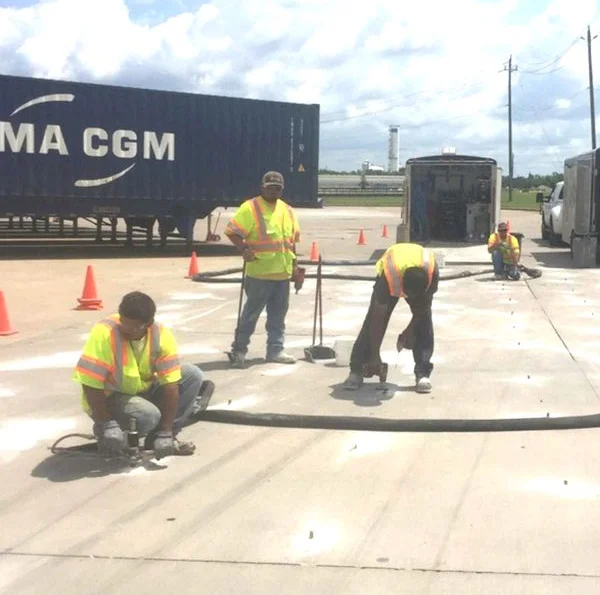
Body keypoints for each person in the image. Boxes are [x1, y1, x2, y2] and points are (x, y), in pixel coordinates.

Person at [72, 291, 215, 459]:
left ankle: (158, 439)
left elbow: (171, 385)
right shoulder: (104, 332)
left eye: (134, 327)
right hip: (109, 397)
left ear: (148, 324)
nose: (127, 329)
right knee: (147, 415)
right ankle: (111, 436)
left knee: (192, 375)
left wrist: (166, 432)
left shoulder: (160, 335)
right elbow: (89, 382)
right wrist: (106, 423)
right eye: (124, 322)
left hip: (141, 391)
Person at [224, 170, 301, 368]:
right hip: (259, 272)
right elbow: (232, 232)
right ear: (262, 187)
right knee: (250, 315)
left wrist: (296, 267)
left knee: (278, 316)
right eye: (270, 188)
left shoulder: (288, 210)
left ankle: (275, 350)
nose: (274, 191)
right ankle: (239, 350)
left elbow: (291, 242)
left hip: (282, 273)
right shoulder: (251, 208)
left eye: (278, 188)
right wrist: (244, 249)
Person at [343, 242, 439, 394]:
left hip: (419, 267)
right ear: (402, 286)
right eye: (408, 294)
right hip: (392, 265)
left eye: (414, 297)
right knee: (371, 322)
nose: (409, 298)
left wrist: (410, 330)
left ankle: (423, 372)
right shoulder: (389, 276)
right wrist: (375, 355)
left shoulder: (431, 275)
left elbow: (422, 308)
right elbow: (377, 317)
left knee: (424, 321)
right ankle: (357, 369)